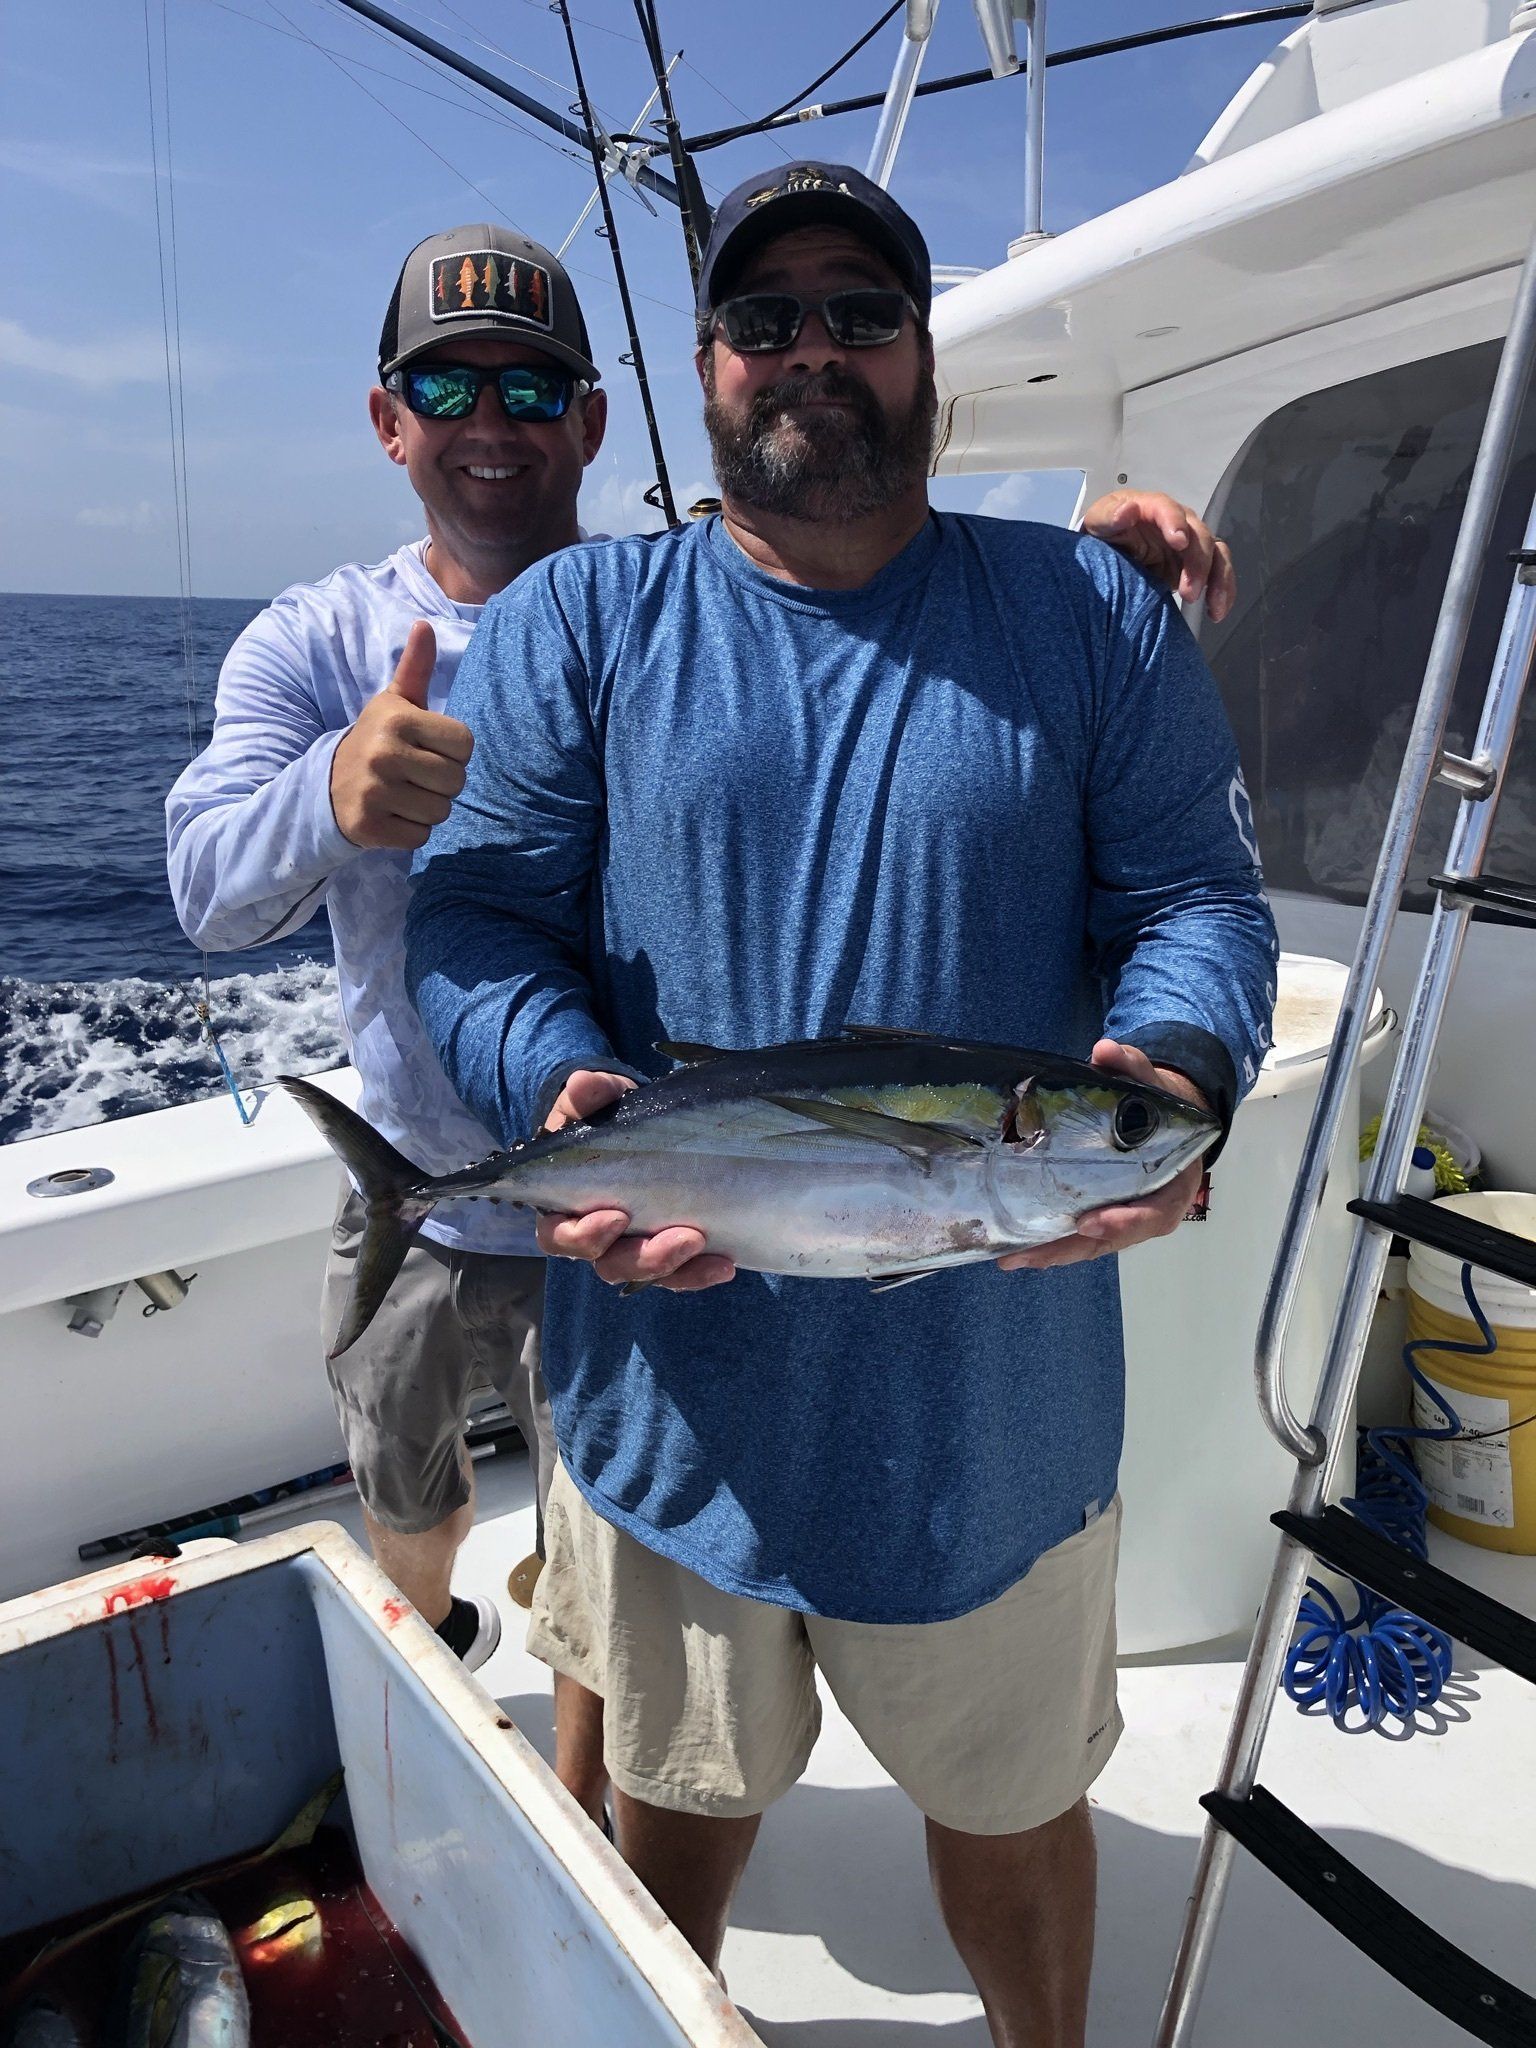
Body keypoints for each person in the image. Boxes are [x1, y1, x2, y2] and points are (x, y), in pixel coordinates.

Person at [403, 163, 1277, 2045]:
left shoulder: (1089, 616)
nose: (815, 351)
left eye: (860, 314)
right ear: (707, 369)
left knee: (1018, 1826)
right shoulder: (578, 625)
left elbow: (1196, 901)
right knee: (671, 1823)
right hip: (667, 1406)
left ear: (925, 357)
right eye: (766, 318)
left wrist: (1178, 1064)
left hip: (1000, 1415)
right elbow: (474, 923)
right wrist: (547, 1087)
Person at [164, 225, 614, 1816]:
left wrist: (1084, 559)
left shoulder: (676, 609)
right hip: (412, 1183)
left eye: (528, 384)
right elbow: (208, 898)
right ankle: (424, 1707)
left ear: (590, 420)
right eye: (447, 381)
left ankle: (577, 1837)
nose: (489, 418)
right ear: (388, 418)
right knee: (405, 1489)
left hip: (629, 1207)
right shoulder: (311, 640)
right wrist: (329, 795)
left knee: (608, 1555)